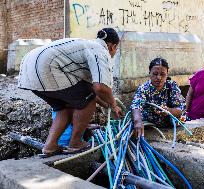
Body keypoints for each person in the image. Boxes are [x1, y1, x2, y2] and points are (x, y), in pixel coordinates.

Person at [18, 28, 123, 156]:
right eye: (116, 50)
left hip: (28, 69)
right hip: (46, 67)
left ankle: (50, 146)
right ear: (113, 46)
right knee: (87, 101)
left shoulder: (85, 47)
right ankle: (75, 143)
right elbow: (100, 88)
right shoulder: (100, 50)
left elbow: (90, 91)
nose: (114, 52)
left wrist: (106, 105)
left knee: (65, 107)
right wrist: (113, 105)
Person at [131, 58, 185, 137]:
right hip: (150, 126)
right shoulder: (144, 89)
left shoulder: (171, 86)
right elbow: (136, 105)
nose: (159, 78)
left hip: (169, 125)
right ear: (150, 73)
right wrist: (137, 122)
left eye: (162, 74)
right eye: (155, 74)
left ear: (167, 74)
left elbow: (181, 108)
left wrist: (168, 111)